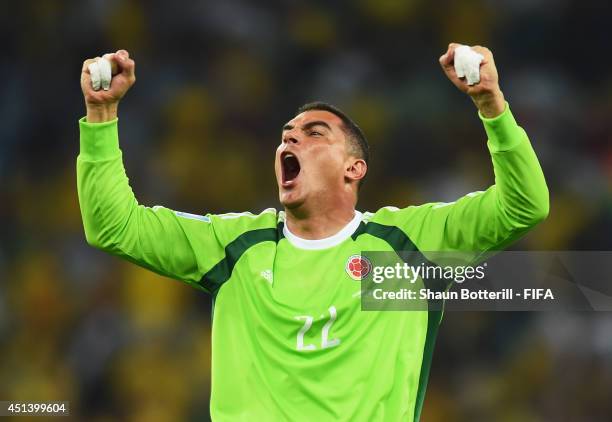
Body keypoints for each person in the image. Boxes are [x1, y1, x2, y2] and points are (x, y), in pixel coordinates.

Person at [77, 44, 549, 421]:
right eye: (286, 133)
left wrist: (492, 106)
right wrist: (101, 116)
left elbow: (524, 204)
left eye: (314, 132)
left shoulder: (406, 247)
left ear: (354, 168)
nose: (290, 139)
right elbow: (113, 226)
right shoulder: (236, 246)